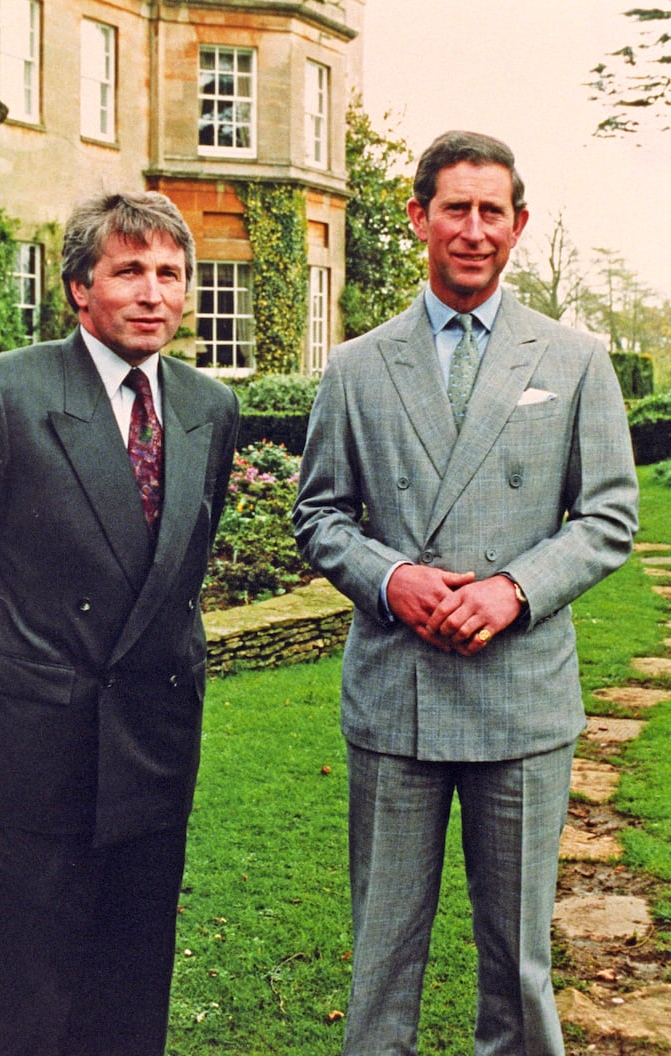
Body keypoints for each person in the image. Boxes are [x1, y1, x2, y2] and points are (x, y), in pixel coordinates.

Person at [292, 131, 639, 1056]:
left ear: (519, 226)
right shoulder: (358, 365)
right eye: (456, 208)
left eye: (493, 211)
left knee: (519, 963)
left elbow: (608, 517)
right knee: (383, 957)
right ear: (419, 218)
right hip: (395, 696)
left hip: (519, 699)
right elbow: (319, 515)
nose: (474, 230)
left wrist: (513, 592)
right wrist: (391, 578)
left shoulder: (573, 361)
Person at [0, 190, 240, 1056]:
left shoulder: (209, 407)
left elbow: (178, 568)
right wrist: (13, 680)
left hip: (155, 746)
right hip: (33, 751)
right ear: (79, 288)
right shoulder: (0, 395)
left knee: (129, 991)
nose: (154, 293)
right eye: (129, 271)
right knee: (21, 996)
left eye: (171, 273)